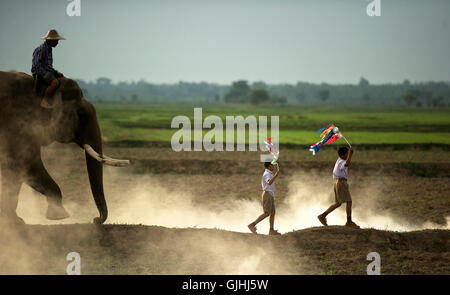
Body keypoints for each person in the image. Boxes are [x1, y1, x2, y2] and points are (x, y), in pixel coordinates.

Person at [318, 146, 360, 229]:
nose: (347, 155)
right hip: (341, 183)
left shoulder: (339, 160)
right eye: (346, 154)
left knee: (338, 203)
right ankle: (349, 222)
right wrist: (351, 154)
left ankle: (323, 216)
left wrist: (349, 154)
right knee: (349, 201)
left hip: (338, 182)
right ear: (343, 155)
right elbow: (347, 164)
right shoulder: (342, 162)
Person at [31, 29, 66, 109]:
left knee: (61, 78)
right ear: (50, 40)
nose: (57, 42)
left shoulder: (49, 49)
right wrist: (45, 74)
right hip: (39, 72)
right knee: (55, 83)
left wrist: (56, 72)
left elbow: (48, 66)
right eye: (56, 41)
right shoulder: (41, 49)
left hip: (46, 70)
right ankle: (44, 101)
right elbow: (36, 65)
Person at [248, 161, 282, 235]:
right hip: (267, 194)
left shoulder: (269, 173)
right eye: (273, 165)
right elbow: (269, 182)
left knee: (272, 213)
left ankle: (271, 230)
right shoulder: (267, 174)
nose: (274, 167)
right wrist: (276, 175)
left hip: (270, 194)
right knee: (267, 213)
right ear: (269, 166)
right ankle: (252, 225)